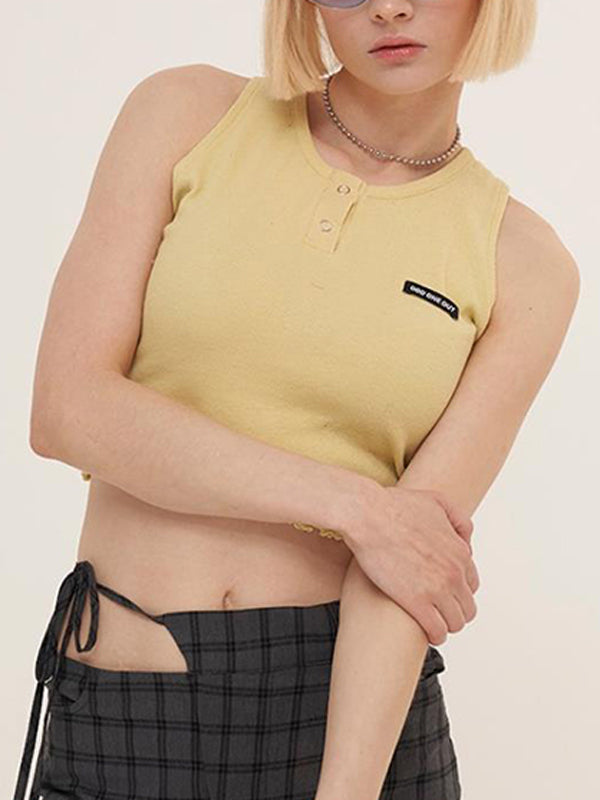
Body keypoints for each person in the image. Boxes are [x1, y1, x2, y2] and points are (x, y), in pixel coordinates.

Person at [14, 1, 579, 799]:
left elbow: (411, 564)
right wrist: (359, 508)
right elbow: (68, 410)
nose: (388, 6)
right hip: (128, 707)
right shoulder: (186, 114)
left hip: (358, 727)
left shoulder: (523, 261)